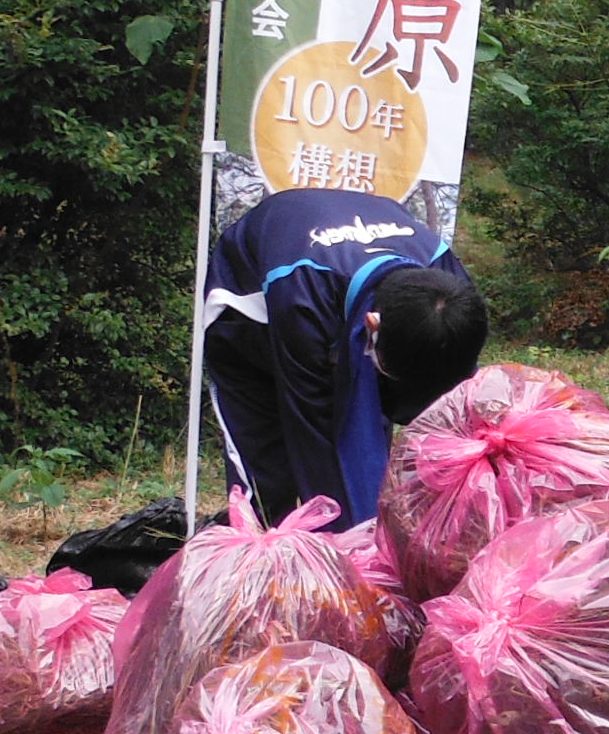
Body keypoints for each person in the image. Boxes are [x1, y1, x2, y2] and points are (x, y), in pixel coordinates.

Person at [200, 188, 486, 524]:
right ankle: (255, 559)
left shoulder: (450, 287)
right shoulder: (300, 299)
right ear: (372, 326)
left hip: (348, 288)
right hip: (250, 314)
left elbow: (456, 402)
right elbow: (316, 436)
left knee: (375, 452)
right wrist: (355, 548)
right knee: (270, 474)